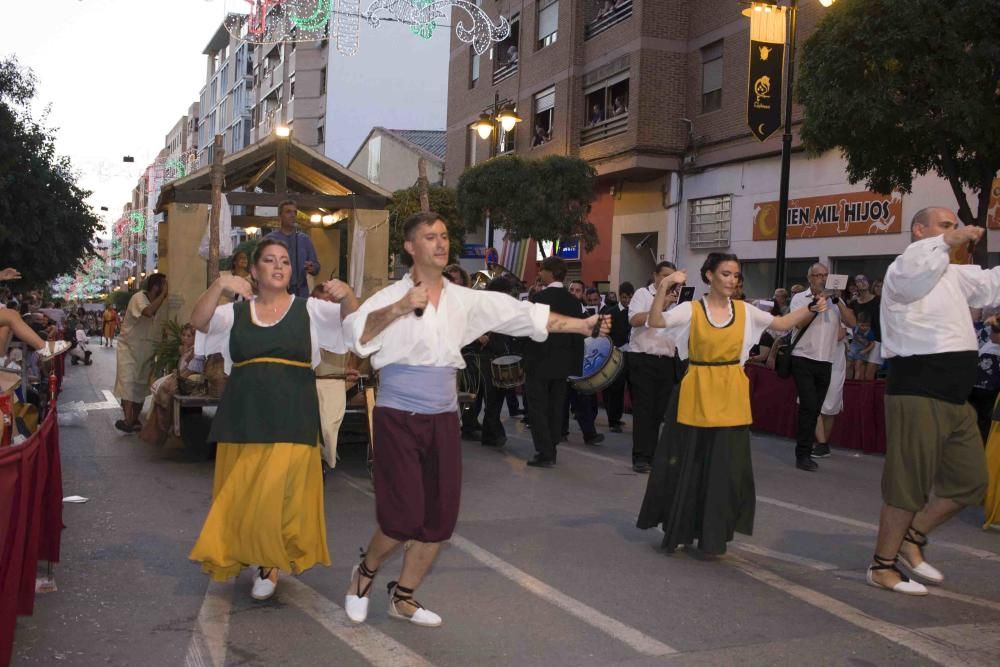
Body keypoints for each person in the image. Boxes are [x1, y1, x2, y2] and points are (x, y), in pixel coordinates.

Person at [341, 213, 608, 627]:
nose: (441, 242)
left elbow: (526, 316)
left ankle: (404, 596)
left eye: (445, 235)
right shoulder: (388, 296)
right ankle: (365, 572)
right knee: (402, 516)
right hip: (397, 415)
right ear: (410, 247)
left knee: (439, 519)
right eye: (430, 237)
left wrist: (583, 325)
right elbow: (356, 336)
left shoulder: (465, 299)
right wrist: (399, 307)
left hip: (443, 417)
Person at [188, 239, 356, 600]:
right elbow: (198, 322)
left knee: (280, 493)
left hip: (293, 414)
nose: (279, 266)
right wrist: (219, 284)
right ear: (254, 271)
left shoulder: (309, 309)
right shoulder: (234, 313)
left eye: (284, 261)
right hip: (244, 415)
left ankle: (269, 563)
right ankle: (256, 554)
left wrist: (347, 296)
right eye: (269, 260)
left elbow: (353, 325)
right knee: (243, 493)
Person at [637, 253, 825, 555]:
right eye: (726, 273)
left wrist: (812, 309)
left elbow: (782, 321)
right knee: (690, 465)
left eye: (736, 275)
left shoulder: (746, 311)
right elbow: (656, 320)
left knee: (724, 469)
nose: (732, 280)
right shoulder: (691, 309)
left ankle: (713, 533)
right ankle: (681, 525)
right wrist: (665, 286)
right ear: (709, 275)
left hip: (732, 396)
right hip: (697, 392)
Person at [867, 208, 993, 596]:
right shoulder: (903, 269)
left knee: (971, 482)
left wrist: (950, 245)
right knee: (908, 486)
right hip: (917, 391)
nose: (953, 231)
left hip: (956, 397)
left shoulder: (955, 275)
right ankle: (882, 567)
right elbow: (918, 267)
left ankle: (914, 536)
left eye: (954, 226)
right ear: (919, 230)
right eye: (944, 225)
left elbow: (992, 283)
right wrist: (945, 241)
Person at [788, 263, 856, 471]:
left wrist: (837, 300)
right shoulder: (800, 299)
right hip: (803, 357)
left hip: (826, 360)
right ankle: (803, 454)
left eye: (825, 275)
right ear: (810, 278)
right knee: (808, 406)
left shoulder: (836, 301)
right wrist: (819, 302)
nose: (822, 278)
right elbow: (798, 323)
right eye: (818, 275)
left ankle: (809, 449)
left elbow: (852, 322)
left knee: (816, 407)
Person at [522, 256, 586, 465]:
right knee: (556, 407)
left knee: (538, 408)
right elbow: (579, 334)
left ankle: (544, 452)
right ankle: (552, 448)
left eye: (541, 270)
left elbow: (530, 332)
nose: (539, 273)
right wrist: (575, 365)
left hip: (539, 362)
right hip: (562, 364)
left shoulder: (539, 300)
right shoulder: (575, 303)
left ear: (549, 272)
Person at [627, 262, 680, 473]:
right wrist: (661, 305)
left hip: (666, 359)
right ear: (655, 276)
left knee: (659, 412)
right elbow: (634, 319)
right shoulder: (643, 294)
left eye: (672, 277)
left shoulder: (677, 300)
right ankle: (640, 456)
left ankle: (652, 453)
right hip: (643, 358)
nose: (668, 280)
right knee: (644, 410)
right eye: (665, 276)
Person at [310, 284, 361, 472]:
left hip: (334, 384)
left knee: (327, 431)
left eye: (332, 302)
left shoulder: (342, 323)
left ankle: (322, 464)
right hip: (307, 384)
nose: (328, 307)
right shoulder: (308, 321)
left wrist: (350, 368)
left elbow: (360, 346)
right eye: (324, 302)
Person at [113, 274, 169, 433]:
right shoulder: (139, 297)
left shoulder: (160, 304)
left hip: (146, 352)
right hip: (129, 349)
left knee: (140, 387)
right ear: (156, 287)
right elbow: (148, 312)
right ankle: (128, 420)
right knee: (128, 384)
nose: (166, 289)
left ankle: (133, 420)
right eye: (164, 285)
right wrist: (164, 295)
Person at [139, 323, 196, 446]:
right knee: (159, 389)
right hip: (180, 377)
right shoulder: (183, 349)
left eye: (189, 336)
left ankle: (163, 428)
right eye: (184, 335)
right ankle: (156, 429)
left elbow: (192, 369)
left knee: (166, 392)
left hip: (186, 380)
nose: (185, 338)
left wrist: (179, 376)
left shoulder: (194, 352)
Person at [264, 200, 320, 298]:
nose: (293, 215)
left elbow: (316, 266)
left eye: (295, 212)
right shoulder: (270, 239)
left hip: (300, 293)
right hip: (276, 292)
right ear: (280, 216)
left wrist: (312, 267)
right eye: (288, 212)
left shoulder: (304, 239)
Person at [602, 282, 633, 433]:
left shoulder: (635, 312)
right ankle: (612, 420)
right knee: (616, 389)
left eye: (630, 297)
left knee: (630, 387)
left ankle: (618, 417)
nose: (627, 300)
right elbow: (604, 334)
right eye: (625, 297)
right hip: (616, 355)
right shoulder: (611, 312)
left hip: (632, 355)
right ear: (620, 296)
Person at [814, 325, 848, 458]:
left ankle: (822, 444)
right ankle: (821, 444)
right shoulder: (807, 305)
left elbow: (840, 334)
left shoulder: (839, 306)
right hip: (813, 360)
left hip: (835, 364)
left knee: (830, 409)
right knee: (811, 403)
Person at [970, 315, 1000, 444]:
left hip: (990, 390)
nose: (991, 333)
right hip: (973, 385)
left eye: (994, 331)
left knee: (984, 423)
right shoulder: (983, 330)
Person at [850, 274, 882, 381]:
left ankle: (867, 397)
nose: (862, 282)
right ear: (855, 286)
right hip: (860, 340)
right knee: (858, 372)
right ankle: (858, 397)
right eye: (859, 280)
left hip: (877, 339)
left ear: (869, 282)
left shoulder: (879, 300)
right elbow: (851, 322)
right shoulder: (854, 303)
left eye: (864, 279)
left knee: (869, 375)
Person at [846, 312, 876, 381]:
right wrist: (848, 347)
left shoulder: (869, 332)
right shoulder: (855, 328)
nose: (864, 328)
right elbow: (850, 336)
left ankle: (856, 382)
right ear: (857, 323)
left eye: (867, 326)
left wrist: (865, 350)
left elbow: (872, 344)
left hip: (861, 352)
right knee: (848, 365)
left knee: (858, 367)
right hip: (852, 349)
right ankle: (847, 381)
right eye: (862, 325)